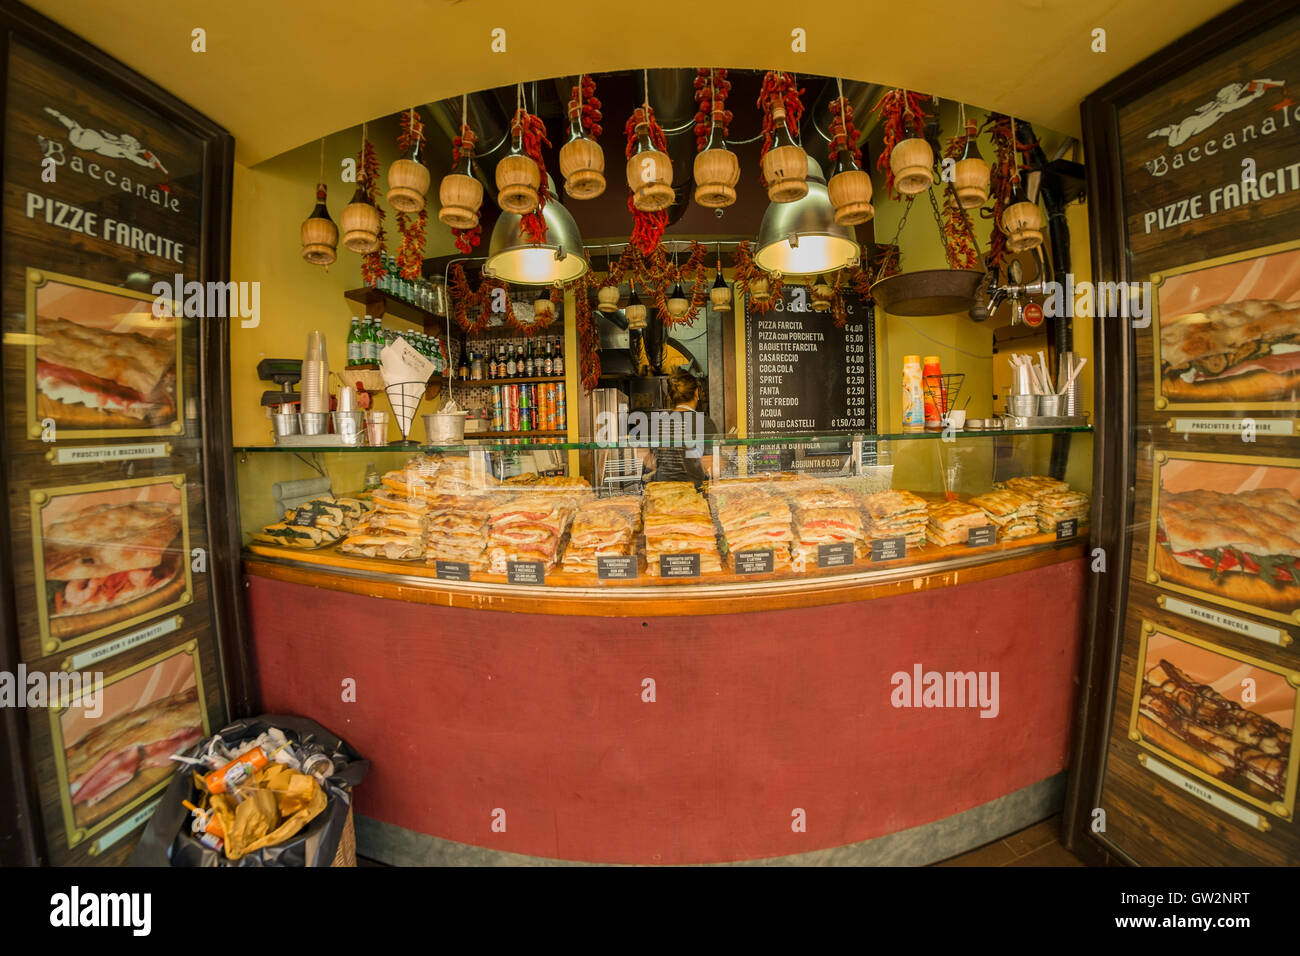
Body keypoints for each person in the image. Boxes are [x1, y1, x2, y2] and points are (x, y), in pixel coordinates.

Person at [640, 369, 710, 487]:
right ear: (696, 393)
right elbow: (708, 464)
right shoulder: (705, 423)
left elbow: (650, 462)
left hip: (662, 494)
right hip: (693, 496)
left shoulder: (657, 423)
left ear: (671, 396)